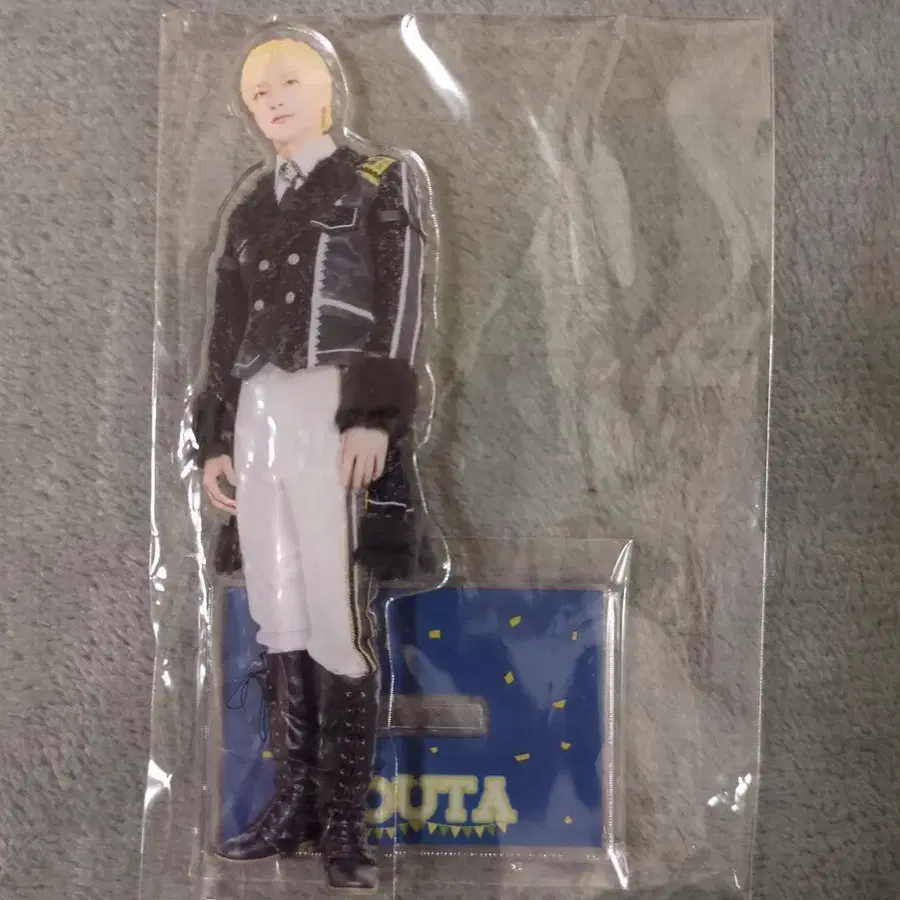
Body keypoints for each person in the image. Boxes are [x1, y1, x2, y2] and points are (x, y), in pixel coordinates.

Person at [191, 35, 426, 894]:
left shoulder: (375, 180)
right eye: (258, 91)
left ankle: (344, 827)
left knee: (334, 614)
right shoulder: (252, 204)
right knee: (278, 612)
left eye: (288, 81)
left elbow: (400, 303)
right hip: (260, 413)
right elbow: (227, 325)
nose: (274, 99)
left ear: (326, 88)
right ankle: (293, 806)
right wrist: (215, 437)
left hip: (330, 406)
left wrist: (374, 417)